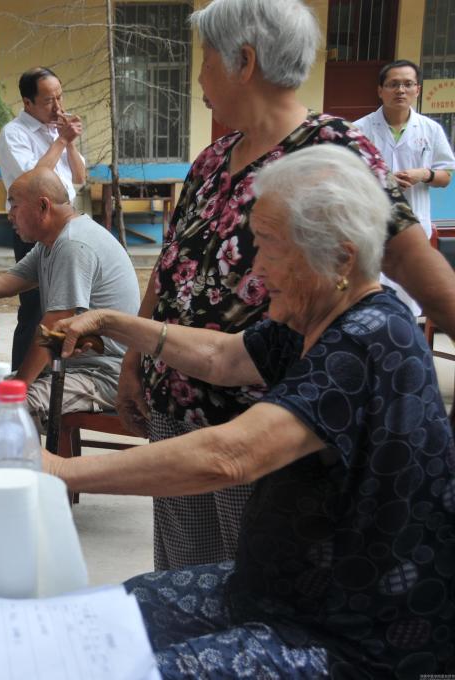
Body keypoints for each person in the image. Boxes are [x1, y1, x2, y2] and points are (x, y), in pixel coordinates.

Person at [49, 145, 454, 678]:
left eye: (269, 247)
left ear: (340, 258)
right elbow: (221, 357)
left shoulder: (369, 339)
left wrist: (61, 470)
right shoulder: (315, 319)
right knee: (94, 620)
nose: (257, 270)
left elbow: (232, 456)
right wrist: (110, 322)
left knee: (117, 670)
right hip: (272, 592)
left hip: (348, 635)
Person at [118, 0, 455, 572]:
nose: (199, 79)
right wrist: (135, 358)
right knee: (182, 575)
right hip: (177, 403)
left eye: (205, 61)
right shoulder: (212, 160)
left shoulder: (333, 148)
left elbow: (406, 256)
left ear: (244, 62)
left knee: (256, 583)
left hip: (262, 424)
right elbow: (171, 267)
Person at [0, 167, 138, 427]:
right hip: (75, 366)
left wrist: (18, 387)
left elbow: (55, 325)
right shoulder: (51, 241)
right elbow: (9, 281)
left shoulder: (73, 244)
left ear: (43, 206)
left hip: (105, 373)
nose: (10, 215)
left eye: (15, 205)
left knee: (8, 412)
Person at [0, 67, 87, 371]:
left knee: (65, 307)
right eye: (49, 101)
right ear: (28, 103)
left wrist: (70, 142)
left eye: (60, 97)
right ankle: (21, 377)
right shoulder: (14, 134)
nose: (58, 107)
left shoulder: (55, 129)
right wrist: (60, 141)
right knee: (35, 307)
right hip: (34, 228)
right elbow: (33, 182)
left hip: (65, 228)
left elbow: (80, 177)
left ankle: (53, 374)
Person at [355, 59, 455, 314]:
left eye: (408, 84)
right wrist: (379, 179)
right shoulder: (359, 129)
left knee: (408, 302)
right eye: (393, 84)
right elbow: (346, 178)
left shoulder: (431, 130)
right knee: (369, 300)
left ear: (417, 90)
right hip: (371, 228)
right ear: (380, 90)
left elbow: (446, 176)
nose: (401, 90)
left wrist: (424, 174)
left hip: (413, 227)